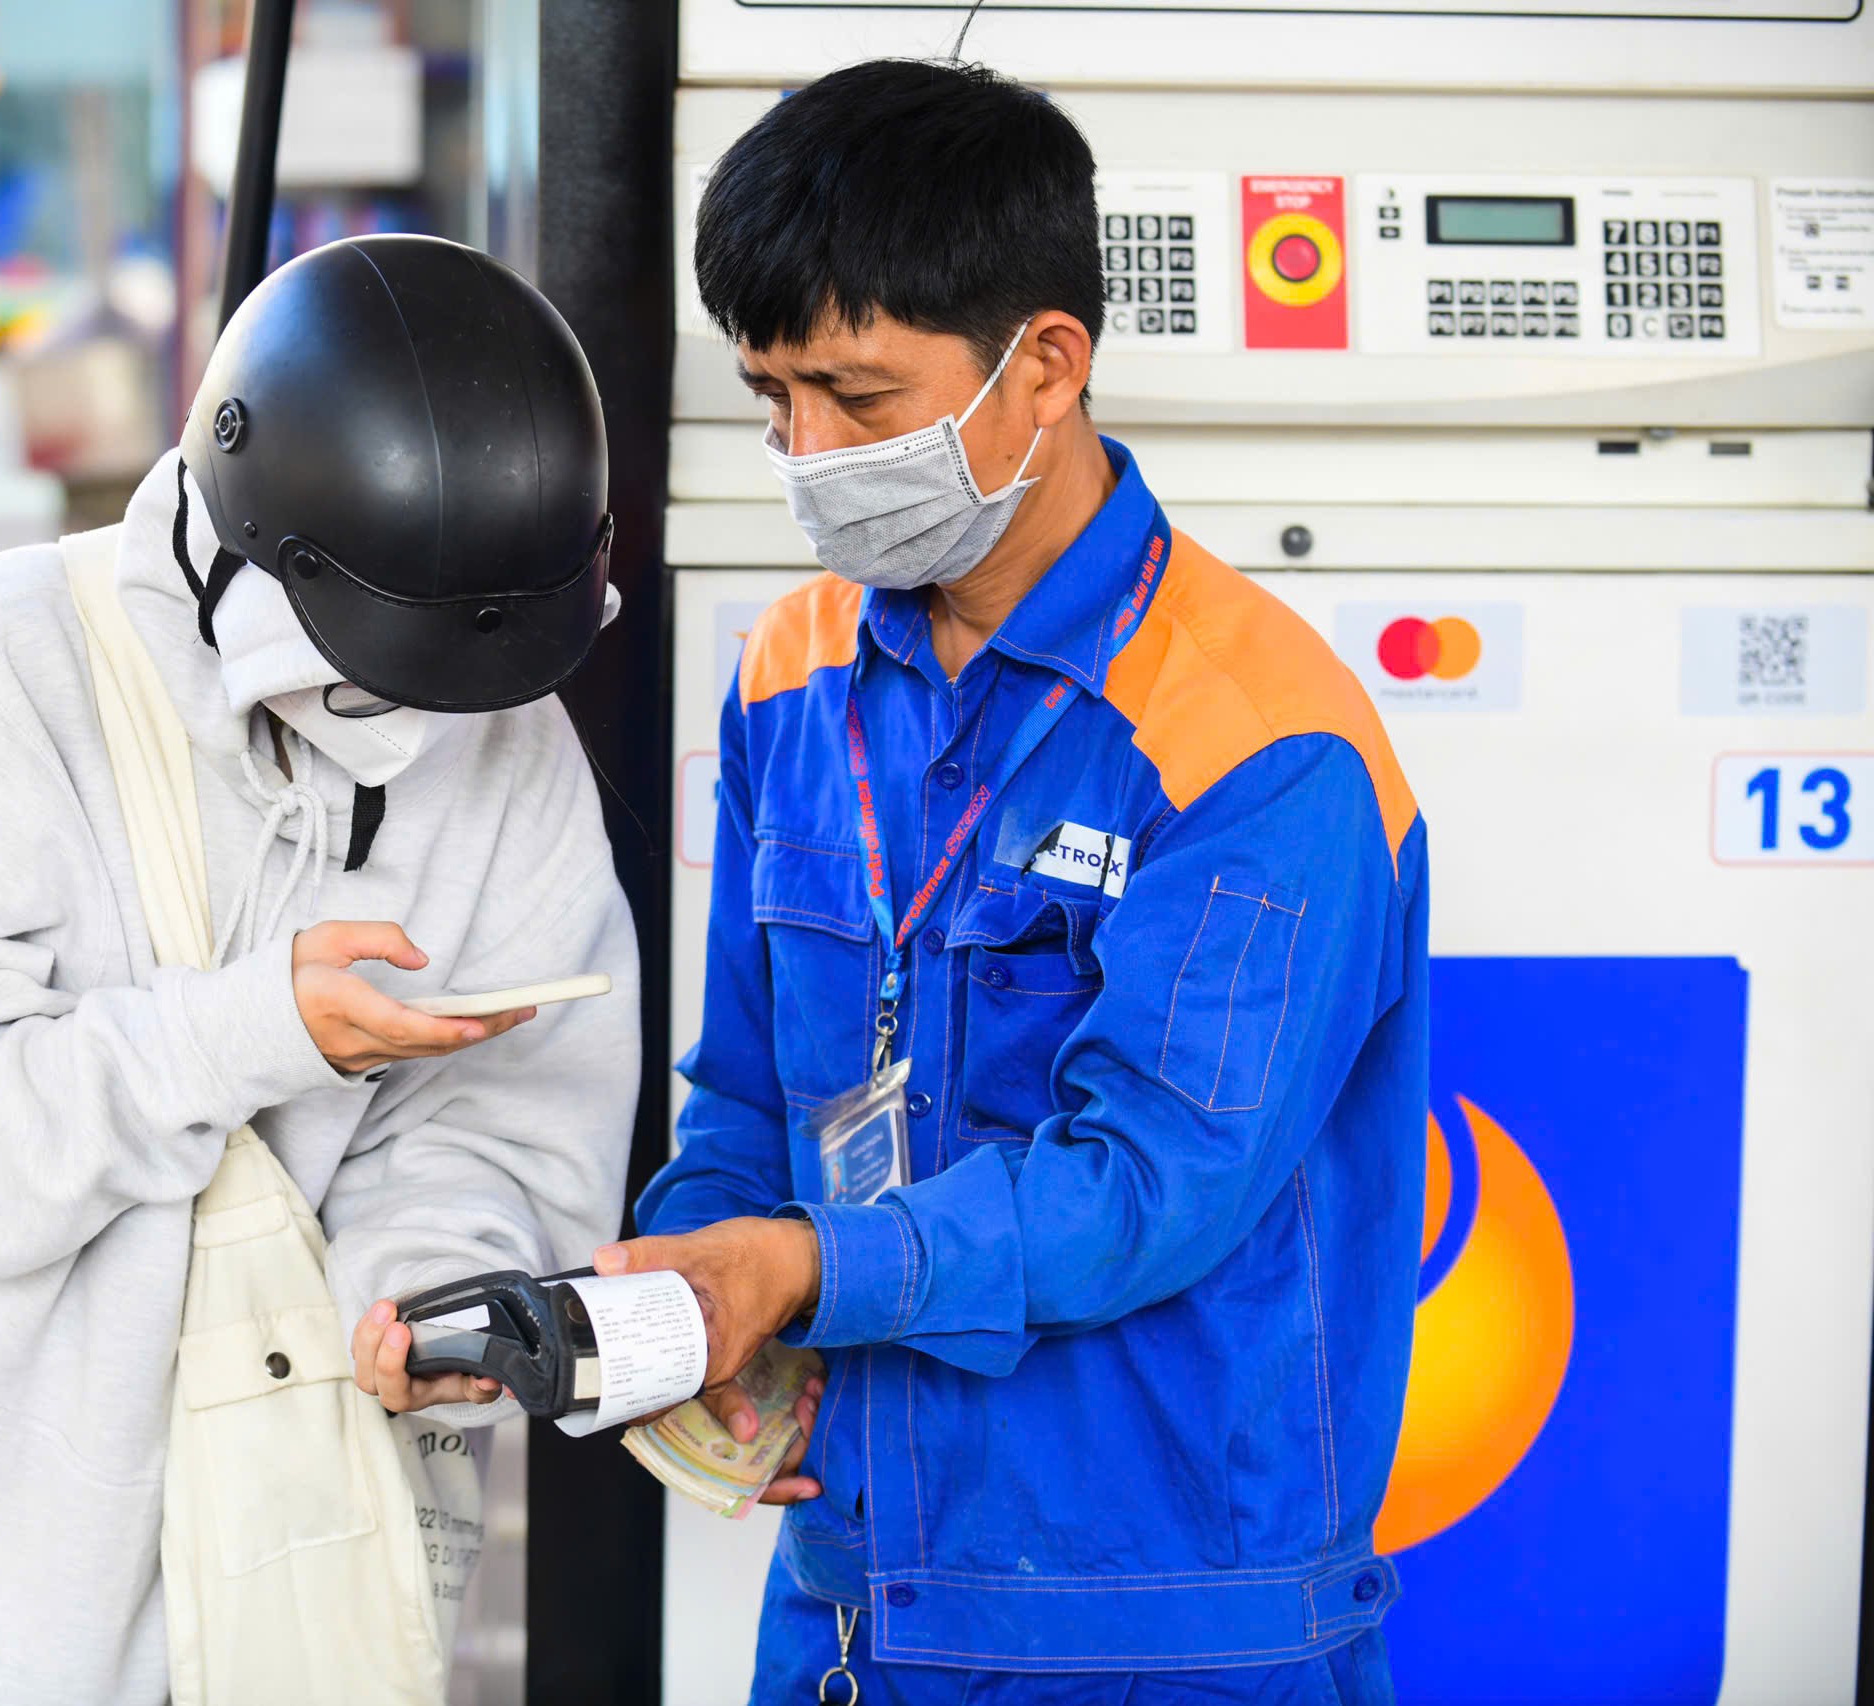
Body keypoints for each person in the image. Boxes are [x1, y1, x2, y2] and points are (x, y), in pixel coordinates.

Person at [0, 235, 639, 1703]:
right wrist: (257, 1030)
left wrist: (434, 1290)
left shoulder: (505, 731)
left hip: (247, 1572)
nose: (421, 723)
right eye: (375, 670)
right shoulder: (1, 663)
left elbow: (504, 1114)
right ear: (253, 554)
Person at [600, 59, 1426, 1705]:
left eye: (861, 396)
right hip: (851, 1601)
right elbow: (746, 1095)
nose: (808, 453)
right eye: (773, 398)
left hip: (1168, 1622)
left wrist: (807, 1268)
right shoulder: (789, 669)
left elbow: (1153, 1183)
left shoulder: (1259, 743)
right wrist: (691, 1308)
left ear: (1046, 365)